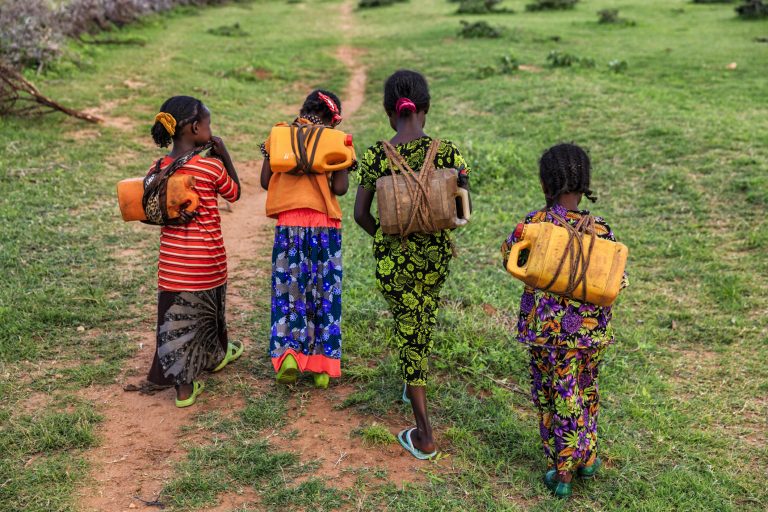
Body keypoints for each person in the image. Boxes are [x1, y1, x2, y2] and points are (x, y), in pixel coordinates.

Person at [354, 70, 470, 460]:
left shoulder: (375, 155)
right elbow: (462, 211)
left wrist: (389, 243)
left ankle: (424, 435)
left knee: (409, 332)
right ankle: (412, 374)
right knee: (420, 319)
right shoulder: (449, 152)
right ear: (426, 109)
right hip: (435, 260)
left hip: (395, 263)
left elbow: (359, 214)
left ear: (390, 113)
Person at [501, 143, 628, 498]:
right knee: (585, 390)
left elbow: (509, 257)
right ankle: (586, 456)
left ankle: (563, 471)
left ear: (546, 184)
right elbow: (620, 280)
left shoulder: (535, 225)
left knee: (556, 396)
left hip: (548, 336)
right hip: (592, 336)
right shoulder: (602, 230)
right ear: (584, 183)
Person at [145, 95, 243, 408]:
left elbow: (147, 211)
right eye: (209, 124)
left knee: (178, 325)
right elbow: (235, 192)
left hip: (173, 269)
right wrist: (224, 153)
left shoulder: (157, 169)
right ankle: (214, 356)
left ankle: (183, 390)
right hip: (208, 264)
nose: (211, 129)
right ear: (196, 128)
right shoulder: (210, 168)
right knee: (207, 317)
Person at [261, 89, 351, 389]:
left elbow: (265, 180)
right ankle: (321, 366)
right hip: (324, 226)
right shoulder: (335, 141)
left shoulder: (279, 136)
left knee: (290, 291)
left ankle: (288, 354)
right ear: (331, 118)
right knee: (323, 294)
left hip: (289, 226)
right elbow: (340, 188)